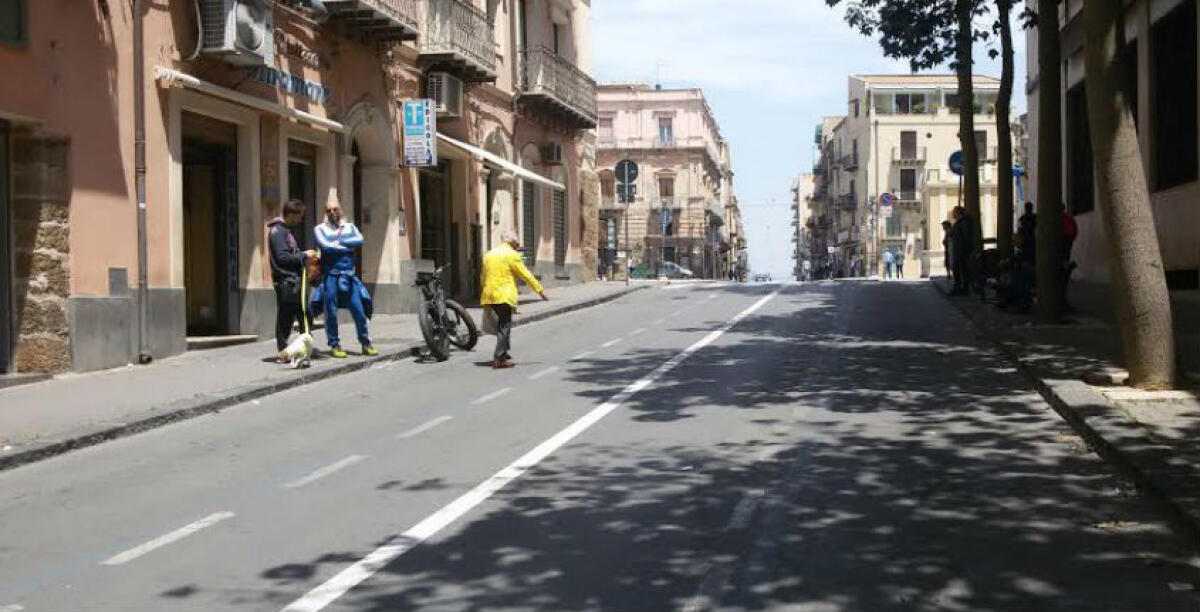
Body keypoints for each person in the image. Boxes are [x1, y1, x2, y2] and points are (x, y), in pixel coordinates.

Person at [311, 201, 376, 358]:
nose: (332, 212)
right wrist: (347, 247)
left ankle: (365, 343)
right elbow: (325, 246)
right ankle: (334, 344)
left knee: (358, 310)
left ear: (341, 210)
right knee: (331, 312)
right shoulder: (319, 229)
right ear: (325, 213)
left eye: (335, 209)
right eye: (329, 210)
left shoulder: (350, 227)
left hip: (349, 276)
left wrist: (339, 243)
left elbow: (360, 240)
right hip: (330, 277)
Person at [481, 232, 548, 369]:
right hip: (504, 295)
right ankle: (499, 358)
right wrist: (540, 290)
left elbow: (483, 276)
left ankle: (504, 352)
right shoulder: (512, 255)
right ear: (512, 242)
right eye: (516, 244)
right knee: (504, 326)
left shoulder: (489, 254)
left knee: (501, 325)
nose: (517, 247)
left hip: (489, 294)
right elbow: (525, 274)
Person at [267, 199, 317, 358]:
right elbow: (282, 257)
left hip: (295, 280)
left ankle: (305, 347)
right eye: (299, 216)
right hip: (286, 281)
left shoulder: (286, 231)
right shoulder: (277, 231)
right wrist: (303, 255)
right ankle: (284, 349)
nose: (300, 220)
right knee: (286, 316)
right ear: (290, 214)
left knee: (304, 314)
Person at [950, 206, 974, 295]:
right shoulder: (959, 222)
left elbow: (965, 236)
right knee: (957, 270)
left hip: (962, 250)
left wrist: (965, 249)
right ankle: (958, 287)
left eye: (954, 212)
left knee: (962, 270)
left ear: (958, 212)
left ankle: (964, 288)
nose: (953, 214)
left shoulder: (964, 222)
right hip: (958, 249)